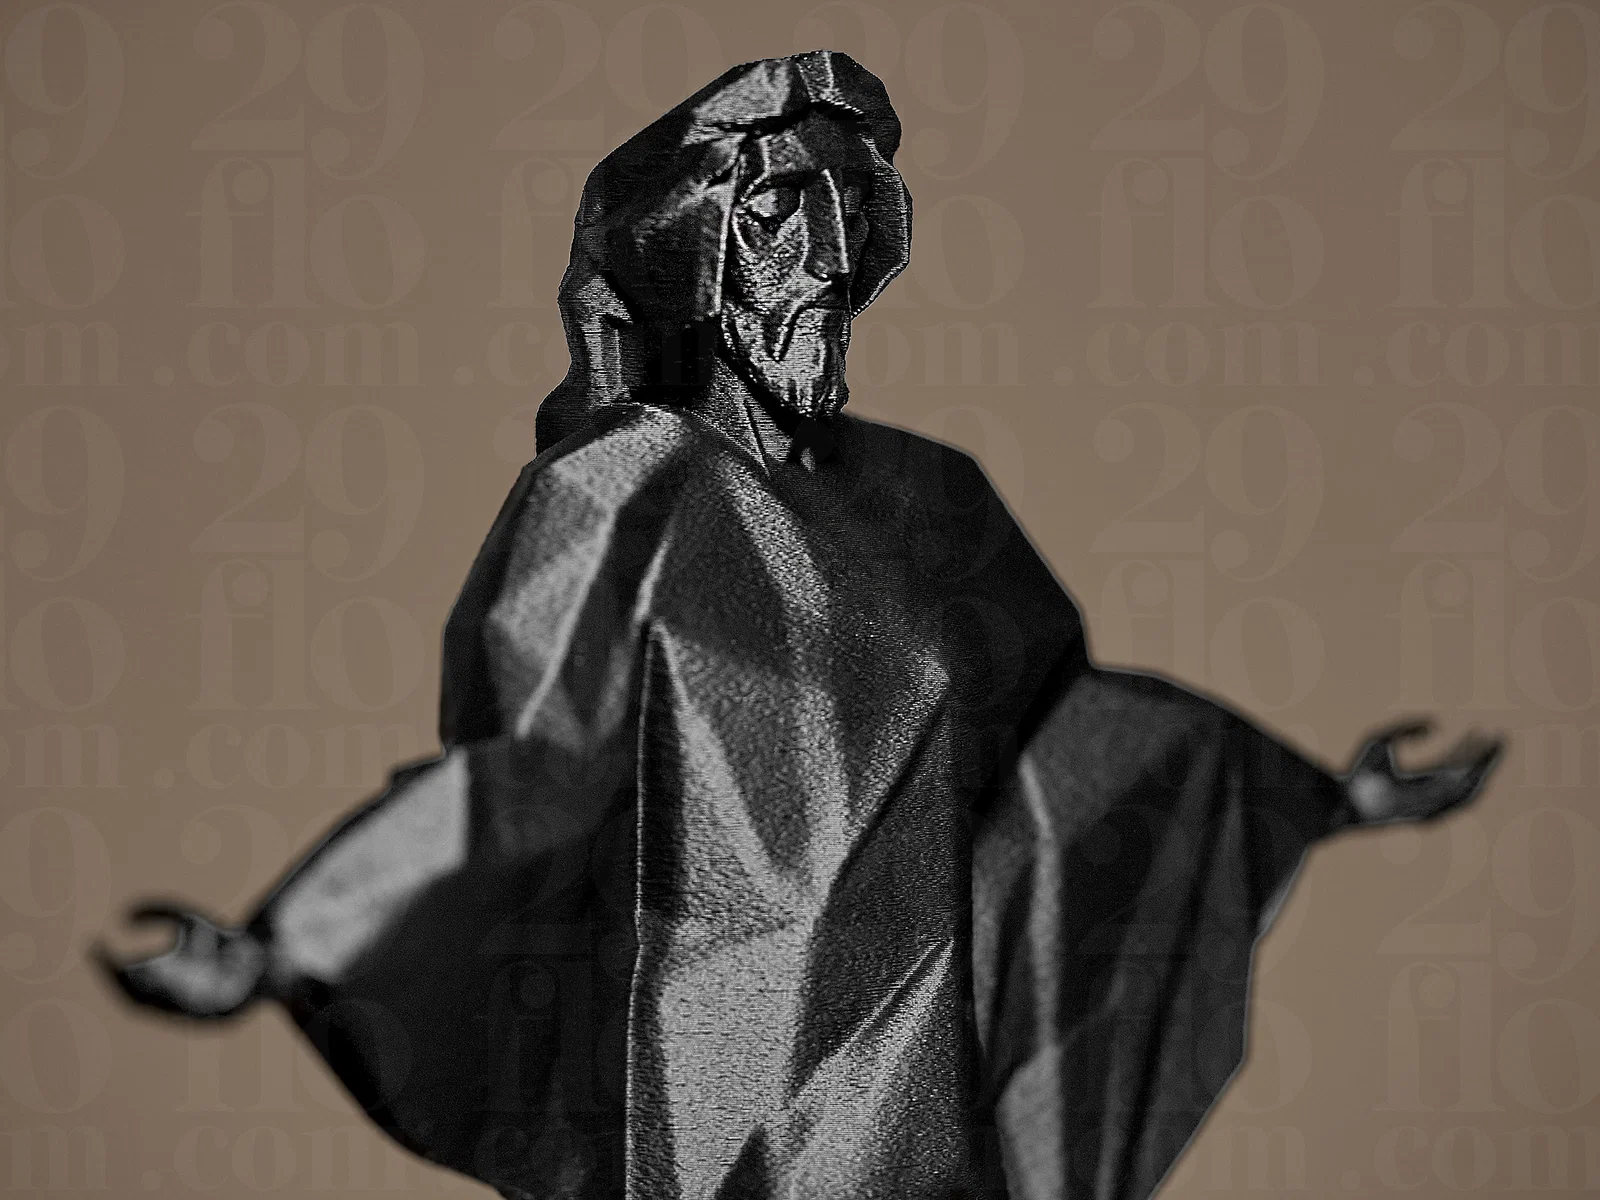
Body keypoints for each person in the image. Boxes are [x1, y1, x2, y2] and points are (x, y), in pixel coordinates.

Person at [99, 51, 1503, 1200]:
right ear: (691, 255)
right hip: (710, 1105)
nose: (822, 262)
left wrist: (1322, 794)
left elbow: (1064, 739)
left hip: (917, 1094)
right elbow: (526, 773)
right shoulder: (615, 494)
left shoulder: (927, 502)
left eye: (846, 219)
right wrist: (298, 938)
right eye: (778, 220)